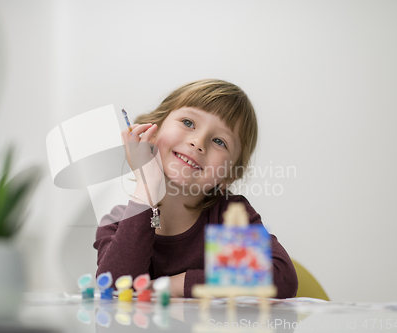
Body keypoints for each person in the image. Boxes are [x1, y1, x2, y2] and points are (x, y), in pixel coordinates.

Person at [93, 79, 298, 298]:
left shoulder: (226, 217)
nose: (198, 142)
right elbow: (116, 288)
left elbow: (280, 277)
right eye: (188, 123)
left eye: (220, 141)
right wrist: (147, 186)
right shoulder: (115, 224)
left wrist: (173, 285)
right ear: (152, 132)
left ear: (229, 175)